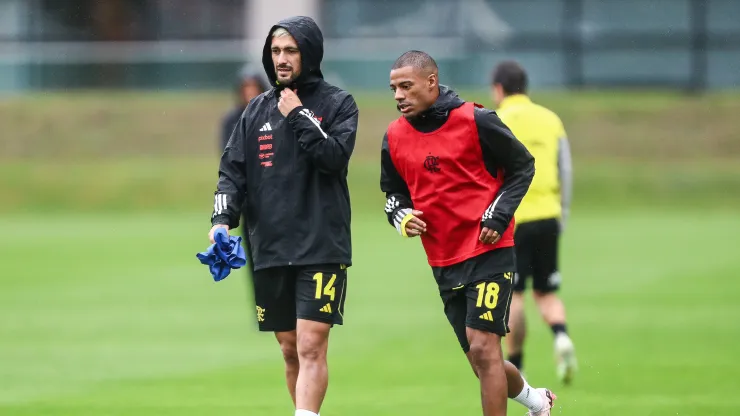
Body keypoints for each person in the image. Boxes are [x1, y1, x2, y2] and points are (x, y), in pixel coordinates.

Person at [380, 50, 556, 416]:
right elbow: (392, 194)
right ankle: (538, 402)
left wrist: (497, 214)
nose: (398, 95)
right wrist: (401, 217)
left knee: (484, 348)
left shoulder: (476, 120)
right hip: (443, 258)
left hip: (489, 250)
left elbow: (523, 166)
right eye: (394, 88)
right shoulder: (394, 137)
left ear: (431, 82)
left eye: (406, 86)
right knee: (480, 361)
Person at [208, 16, 359, 416]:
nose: (282, 59)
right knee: (289, 348)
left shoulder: (338, 104)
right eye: (275, 51)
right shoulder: (254, 112)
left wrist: (297, 115)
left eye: (290, 50)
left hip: (322, 245)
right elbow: (231, 173)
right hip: (270, 248)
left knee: (311, 344)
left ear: (309, 53)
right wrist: (221, 221)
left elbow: (333, 158)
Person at [490, 60, 577, 384]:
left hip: (513, 220)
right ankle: (561, 336)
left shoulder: (496, 120)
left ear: (498, 89)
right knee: (547, 291)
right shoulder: (550, 119)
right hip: (549, 215)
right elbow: (565, 169)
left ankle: (517, 364)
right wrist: (562, 213)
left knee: (515, 295)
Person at [218, 65, 269, 285]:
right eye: (245, 87)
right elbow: (229, 161)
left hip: (275, 198)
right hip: (250, 201)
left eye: (253, 87)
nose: (249, 92)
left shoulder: (273, 116)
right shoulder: (232, 120)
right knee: (256, 262)